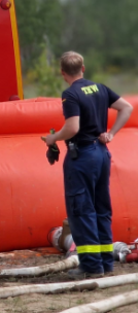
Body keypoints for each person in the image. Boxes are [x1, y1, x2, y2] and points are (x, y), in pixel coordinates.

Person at [42, 51, 132, 278]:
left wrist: (53, 139)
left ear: (63, 73)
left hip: (82, 156)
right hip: (102, 153)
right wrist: (111, 134)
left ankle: (91, 266)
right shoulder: (100, 88)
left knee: (82, 210)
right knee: (101, 209)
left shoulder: (70, 94)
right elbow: (126, 108)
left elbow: (72, 128)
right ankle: (104, 262)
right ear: (83, 68)